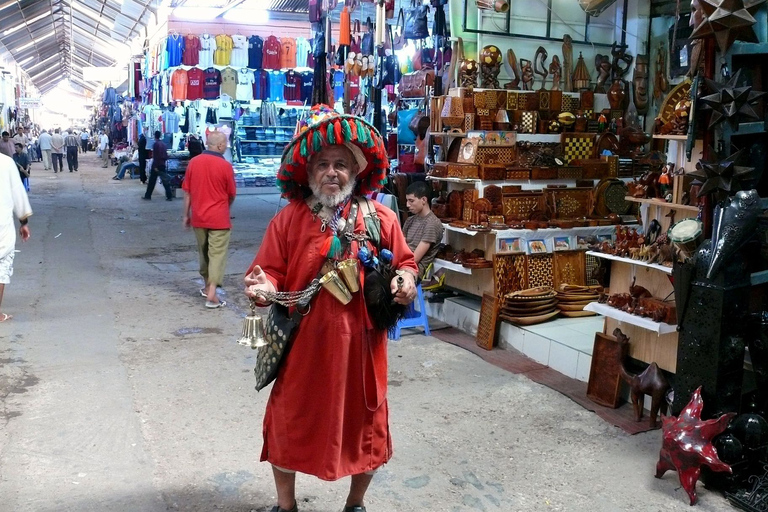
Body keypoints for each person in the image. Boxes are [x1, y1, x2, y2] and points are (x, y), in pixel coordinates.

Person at [243, 105, 417, 512]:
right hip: (303, 349)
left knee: (367, 429)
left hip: (362, 350)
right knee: (289, 422)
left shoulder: (382, 217)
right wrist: (263, 286)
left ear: (356, 171)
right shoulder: (287, 221)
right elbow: (267, 271)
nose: (332, 172)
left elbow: (407, 262)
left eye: (341, 163)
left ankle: (355, 504)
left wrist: (406, 281)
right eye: (323, 164)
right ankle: (286, 507)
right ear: (308, 172)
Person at [182, 131, 236, 309]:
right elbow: (231, 194)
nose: (226, 147)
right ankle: (212, 293)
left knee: (204, 253)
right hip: (219, 219)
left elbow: (187, 192)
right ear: (220, 146)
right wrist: (225, 208)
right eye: (225, 144)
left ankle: (207, 286)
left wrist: (186, 215)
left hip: (198, 217)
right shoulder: (225, 166)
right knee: (216, 255)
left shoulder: (194, 162)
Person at [0, 149, 32, 323]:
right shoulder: (6, 163)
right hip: (1, 225)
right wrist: (23, 222)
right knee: (1, 266)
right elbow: (17, 192)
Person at [403, 181, 444, 279]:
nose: (407, 205)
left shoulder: (432, 224)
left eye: (411, 201)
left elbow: (415, 259)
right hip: (403, 263)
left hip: (414, 269)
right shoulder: (410, 220)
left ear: (424, 200)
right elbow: (400, 245)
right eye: (407, 201)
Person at [143, 131, 173, 201]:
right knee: (165, 181)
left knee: (152, 181)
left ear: (154, 136)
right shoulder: (163, 144)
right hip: (162, 164)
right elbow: (165, 155)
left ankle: (148, 195)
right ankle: (169, 196)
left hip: (157, 165)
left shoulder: (156, 144)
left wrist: (155, 166)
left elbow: (156, 156)